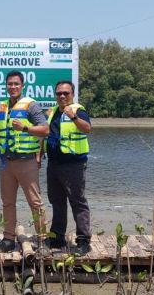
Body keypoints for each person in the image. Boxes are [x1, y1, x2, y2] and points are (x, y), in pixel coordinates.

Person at [0, 70, 49, 253]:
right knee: (7, 202)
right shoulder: (1, 108)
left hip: (26, 162)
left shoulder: (31, 106)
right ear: (6, 86)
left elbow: (45, 130)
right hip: (6, 163)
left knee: (35, 202)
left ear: (22, 86)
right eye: (10, 84)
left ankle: (42, 240)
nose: (12, 87)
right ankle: (8, 239)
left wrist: (25, 128)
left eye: (16, 84)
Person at [44, 80, 92, 254]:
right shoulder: (53, 112)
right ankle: (57, 237)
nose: (62, 96)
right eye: (59, 93)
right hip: (54, 163)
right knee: (57, 201)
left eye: (66, 93)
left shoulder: (78, 110)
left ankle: (83, 241)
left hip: (74, 164)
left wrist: (73, 116)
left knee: (78, 201)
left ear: (72, 94)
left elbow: (87, 129)